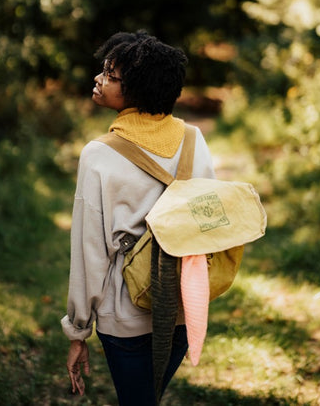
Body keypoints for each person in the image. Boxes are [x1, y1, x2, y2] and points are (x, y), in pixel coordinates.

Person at [61, 30, 216, 405]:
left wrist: (78, 331)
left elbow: (90, 251)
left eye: (111, 76)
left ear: (137, 90)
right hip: (180, 309)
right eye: (103, 70)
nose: (98, 79)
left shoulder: (98, 155)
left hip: (125, 317)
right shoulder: (194, 139)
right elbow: (207, 223)